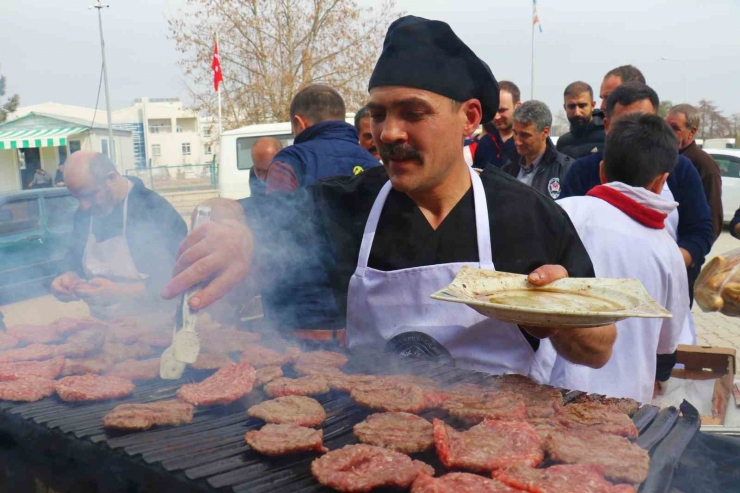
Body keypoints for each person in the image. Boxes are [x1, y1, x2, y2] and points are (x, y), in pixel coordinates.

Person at [162, 15, 616, 374]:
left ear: (469, 117)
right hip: (370, 447)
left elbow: (599, 350)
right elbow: (231, 212)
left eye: (412, 113)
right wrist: (229, 228)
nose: (388, 133)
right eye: (378, 114)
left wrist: (559, 315)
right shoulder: (344, 204)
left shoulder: (526, 214)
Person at [531, 113, 688, 404]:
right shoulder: (668, 251)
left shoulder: (562, 212)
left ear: (602, 171)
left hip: (552, 395)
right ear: (660, 182)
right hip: (625, 407)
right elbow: (666, 344)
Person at [51, 151, 188, 320]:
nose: (84, 206)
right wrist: (67, 275)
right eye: (77, 198)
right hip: (104, 328)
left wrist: (121, 293)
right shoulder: (84, 213)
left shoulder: (154, 209)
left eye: (89, 194)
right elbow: (74, 255)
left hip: (156, 325)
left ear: (111, 178)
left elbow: (182, 277)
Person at [265, 84, 379, 194]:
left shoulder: (289, 161)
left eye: (293, 131)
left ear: (299, 123)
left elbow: (277, 211)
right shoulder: (377, 167)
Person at [666, 104, 723, 240]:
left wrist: (693, 254)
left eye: (675, 128)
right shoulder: (661, 156)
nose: (668, 132)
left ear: (692, 132)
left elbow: (713, 220)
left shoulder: (705, 165)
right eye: (666, 126)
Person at [501, 101, 573, 199]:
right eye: (515, 133)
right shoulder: (508, 168)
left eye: (525, 135)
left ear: (545, 132)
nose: (517, 142)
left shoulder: (565, 170)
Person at [556, 81, 606, 159]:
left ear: (592, 105)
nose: (577, 113)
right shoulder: (563, 143)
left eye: (582, 106)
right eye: (572, 106)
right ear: (565, 107)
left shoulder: (608, 137)